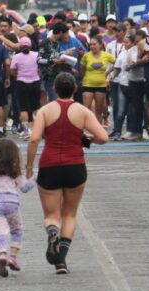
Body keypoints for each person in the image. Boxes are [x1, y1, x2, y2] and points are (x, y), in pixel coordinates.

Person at [26, 73, 108, 274]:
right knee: (70, 214)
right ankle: (61, 260)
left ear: (54, 90)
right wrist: (83, 139)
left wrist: (28, 166)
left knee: (52, 215)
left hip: (49, 165)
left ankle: (52, 232)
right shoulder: (82, 111)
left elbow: (34, 139)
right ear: (74, 89)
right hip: (75, 166)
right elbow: (103, 138)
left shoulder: (44, 111)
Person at [0, 139, 36, 277]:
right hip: (13, 204)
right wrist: (35, 178)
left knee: (2, 231)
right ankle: (12, 257)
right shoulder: (15, 172)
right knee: (17, 231)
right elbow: (25, 188)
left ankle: (2, 254)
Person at [79, 36, 115, 124]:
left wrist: (109, 73)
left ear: (100, 45)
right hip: (88, 84)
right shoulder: (86, 56)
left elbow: (117, 63)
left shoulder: (106, 55)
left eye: (94, 44)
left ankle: (98, 128)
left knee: (99, 110)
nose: (92, 46)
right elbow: (82, 70)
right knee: (86, 108)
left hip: (101, 85)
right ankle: (85, 129)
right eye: (90, 45)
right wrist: (83, 79)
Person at [10, 35, 40, 139]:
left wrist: (19, 74)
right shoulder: (37, 55)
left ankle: (26, 131)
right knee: (36, 107)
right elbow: (40, 68)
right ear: (30, 46)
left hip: (22, 83)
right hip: (35, 82)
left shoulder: (16, 57)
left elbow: (12, 71)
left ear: (20, 46)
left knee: (23, 108)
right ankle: (38, 130)